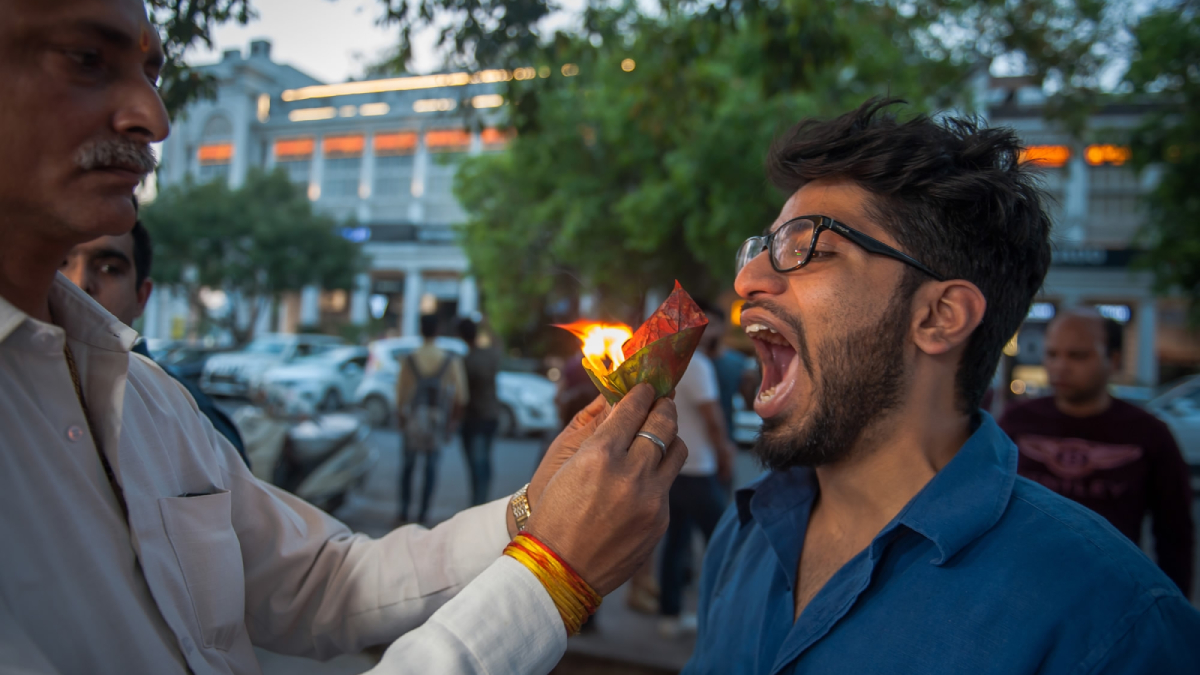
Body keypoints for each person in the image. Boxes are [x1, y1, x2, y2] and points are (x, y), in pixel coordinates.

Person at [0, 1, 688, 672]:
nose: (152, 118)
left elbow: (327, 579)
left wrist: (537, 509)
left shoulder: (145, 396)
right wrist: (549, 578)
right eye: (87, 60)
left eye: (152, 73)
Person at [684, 99, 1200, 674]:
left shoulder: (1114, 625)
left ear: (939, 317)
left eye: (811, 248)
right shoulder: (747, 530)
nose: (746, 279)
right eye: (763, 248)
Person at [1000, 308, 1194, 595]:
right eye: (1052, 354)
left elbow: (1174, 534)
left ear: (1113, 359)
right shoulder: (1016, 422)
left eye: (1077, 356)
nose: (1060, 366)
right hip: (1021, 587)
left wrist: (1174, 613)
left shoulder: (1148, 434)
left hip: (1109, 594)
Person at [59, 220, 251, 467]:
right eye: (60, 263)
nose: (79, 283)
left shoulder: (189, 418)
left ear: (141, 296)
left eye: (108, 268)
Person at [658, 303, 737, 637]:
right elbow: (713, 418)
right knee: (725, 542)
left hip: (673, 468)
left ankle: (670, 616)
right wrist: (725, 452)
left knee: (675, 543)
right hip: (699, 468)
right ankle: (721, 620)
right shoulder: (699, 364)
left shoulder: (669, 362)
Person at [396, 314, 467, 524]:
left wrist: (400, 417)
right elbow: (461, 396)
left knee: (408, 467)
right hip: (437, 419)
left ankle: (403, 511)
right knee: (430, 468)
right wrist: (452, 424)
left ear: (420, 330)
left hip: (414, 418)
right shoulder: (449, 359)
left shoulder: (409, 359)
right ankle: (423, 514)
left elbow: (401, 394)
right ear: (438, 331)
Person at [457, 318, 502, 507]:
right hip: (490, 415)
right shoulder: (490, 355)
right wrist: (488, 325)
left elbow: (460, 395)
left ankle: (477, 503)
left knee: (475, 464)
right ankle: (481, 501)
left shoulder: (465, 361)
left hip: (472, 418)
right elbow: (499, 344)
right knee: (483, 462)